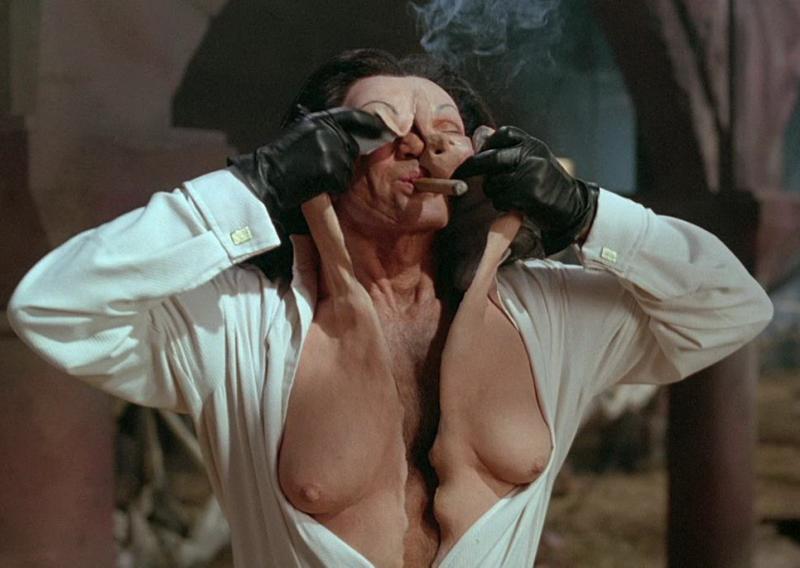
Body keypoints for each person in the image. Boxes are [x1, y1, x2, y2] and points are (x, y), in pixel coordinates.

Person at [8, 48, 773, 567]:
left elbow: (732, 308)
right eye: (379, 128)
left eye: (445, 129)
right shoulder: (239, 323)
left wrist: (586, 212)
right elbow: (53, 306)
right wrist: (254, 187)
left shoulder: (548, 317)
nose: (418, 145)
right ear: (318, 156)